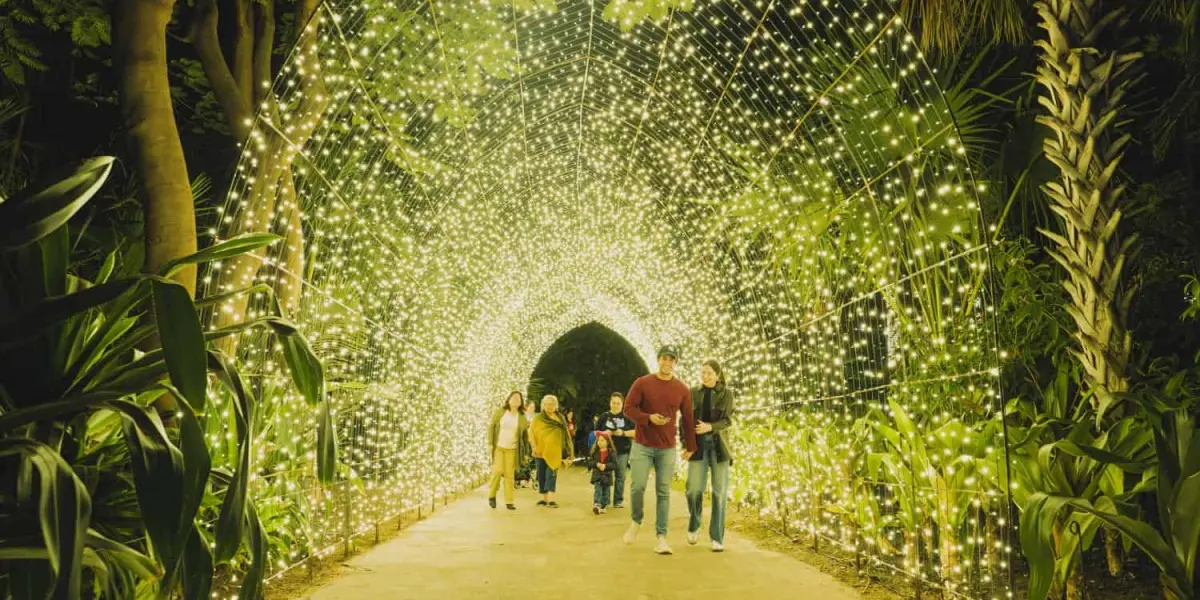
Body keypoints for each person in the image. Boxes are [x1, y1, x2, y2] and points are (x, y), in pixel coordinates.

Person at [622, 345, 698, 555]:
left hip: (667, 448)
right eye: (664, 359)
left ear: (675, 363)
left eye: (671, 359)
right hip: (643, 444)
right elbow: (628, 408)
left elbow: (688, 419)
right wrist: (648, 419)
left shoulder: (682, 389)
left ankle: (661, 537)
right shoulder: (643, 383)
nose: (667, 363)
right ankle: (636, 522)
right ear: (658, 360)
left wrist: (691, 446)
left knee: (663, 492)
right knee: (637, 486)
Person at [684, 359, 735, 552]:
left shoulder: (727, 393)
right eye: (703, 372)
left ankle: (717, 537)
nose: (705, 376)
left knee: (719, 492)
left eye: (709, 373)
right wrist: (686, 444)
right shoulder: (693, 392)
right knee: (693, 489)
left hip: (719, 446)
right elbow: (686, 420)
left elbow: (728, 420)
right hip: (698, 446)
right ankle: (694, 523)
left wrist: (710, 427)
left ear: (717, 375)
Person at [487, 391, 530, 510]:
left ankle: (509, 501)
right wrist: (490, 443)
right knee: (497, 471)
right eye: (513, 398)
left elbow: (525, 436)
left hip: (512, 449)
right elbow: (491, 426)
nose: (516, 400)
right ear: (509, 399)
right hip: (499, 447)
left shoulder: (522, 417)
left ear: (521, 402)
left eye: (518, 398)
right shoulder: (501, 412)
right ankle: (492, 495)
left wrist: (526, 452)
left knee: (509, 475)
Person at [530, 394, 573, 508]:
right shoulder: (538, 418)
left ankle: (551, 500)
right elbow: (532, 433)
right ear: (543, 405)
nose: (550, 406)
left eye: (552, 404)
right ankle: (544, 499)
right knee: (542, 475)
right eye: (547, 404)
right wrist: (534, 447)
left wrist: (568, 451)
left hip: (555, 452)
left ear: (556, 406)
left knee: (551, 475)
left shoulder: (560, 418)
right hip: (540, 452)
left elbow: (565, 435)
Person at [599, 391, 635, 508]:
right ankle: (605, 500)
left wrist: (623, 433)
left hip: (622, 451)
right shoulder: (603, 417)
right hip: (606, 451)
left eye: (618, 403)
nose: (615, 405)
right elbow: (595, 433)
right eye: (613, 403)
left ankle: (618, 500)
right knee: (605, 475)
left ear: (622, 404)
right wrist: (605, 433)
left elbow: (636, 433)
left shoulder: (627, 417)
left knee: (620, 476)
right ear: (610, 403)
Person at [588, 433, 616, 514]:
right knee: (598, 490)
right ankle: (597, 505)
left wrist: (606, 466)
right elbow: (590, 463)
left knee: (606, 492)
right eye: (598, 441)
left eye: (602, 440)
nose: (600, 442)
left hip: (607, 476)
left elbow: (614, 465)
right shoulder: (594, 452)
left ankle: (603, 505)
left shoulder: (612, 452)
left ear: (607, 442)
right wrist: (596, 464)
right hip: (597, 476)